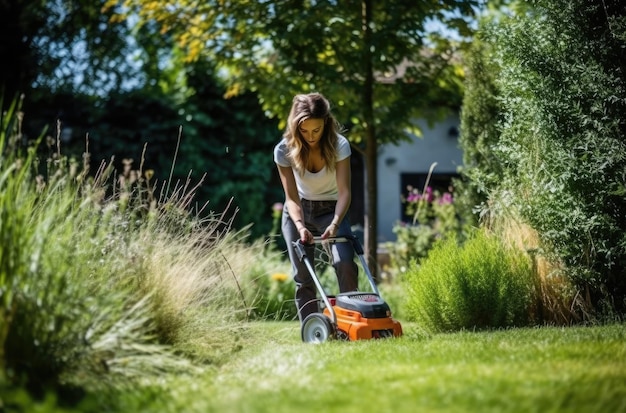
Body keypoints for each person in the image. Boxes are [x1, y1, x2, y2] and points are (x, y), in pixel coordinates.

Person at [273, 92, 358, 324]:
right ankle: (313, 329)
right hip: (298, 211)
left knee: (345, 263)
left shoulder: (340, 145)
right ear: (295, 126)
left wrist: (335, 224)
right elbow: (290, 198)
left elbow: (345, 192)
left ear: (326, 124)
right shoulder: (284, 150)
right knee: (303, 275)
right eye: (304, 130)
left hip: (332, 210)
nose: (311, 136)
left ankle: (350, 322)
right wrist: (300, 226)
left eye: (316, 130)